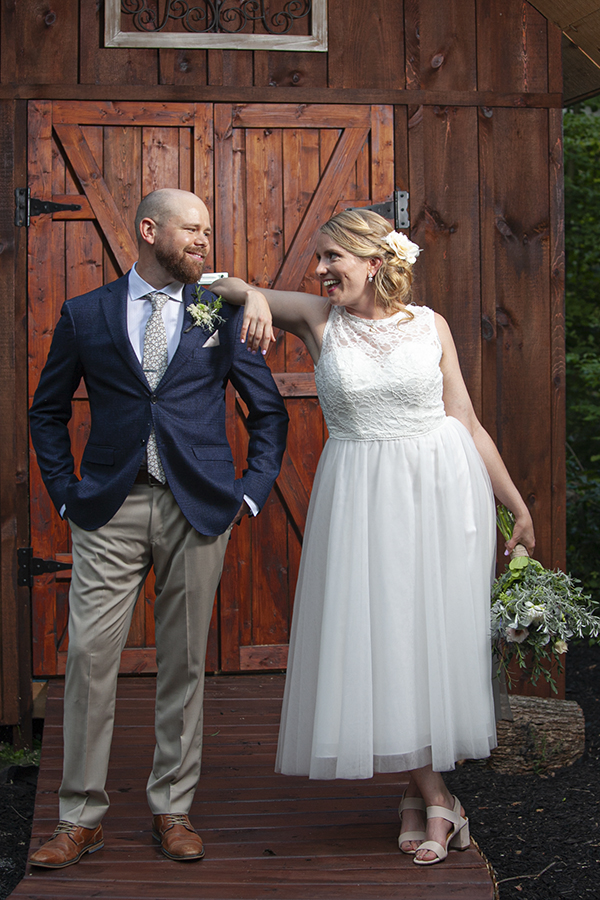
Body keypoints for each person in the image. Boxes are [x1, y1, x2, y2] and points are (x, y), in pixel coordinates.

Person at [211, 208, 535, 866]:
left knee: (428, 641)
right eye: (320, 258)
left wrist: (516, 505)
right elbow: (216, 283)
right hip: (363, 496)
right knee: (381, 638)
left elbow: (466, 421)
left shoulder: (431, 326)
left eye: (334, 257)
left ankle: (419, 796)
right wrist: (252, 299)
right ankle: (438, 795)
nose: (322, 269)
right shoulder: (318, 319)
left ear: (375, 262)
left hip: (444, 490)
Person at [28, 188, 288, 868]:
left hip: (198, 506)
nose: (204, 239)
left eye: (208, 229)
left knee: (182, 664)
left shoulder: (220, 310)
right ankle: (79, 817)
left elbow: (268, 412)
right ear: (150, 230)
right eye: (191, 228)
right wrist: (64, 494)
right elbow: (46, 411)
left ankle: (173, 809)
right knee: (88, 659)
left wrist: (250, 496)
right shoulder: (86, 314)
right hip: (108, 507)